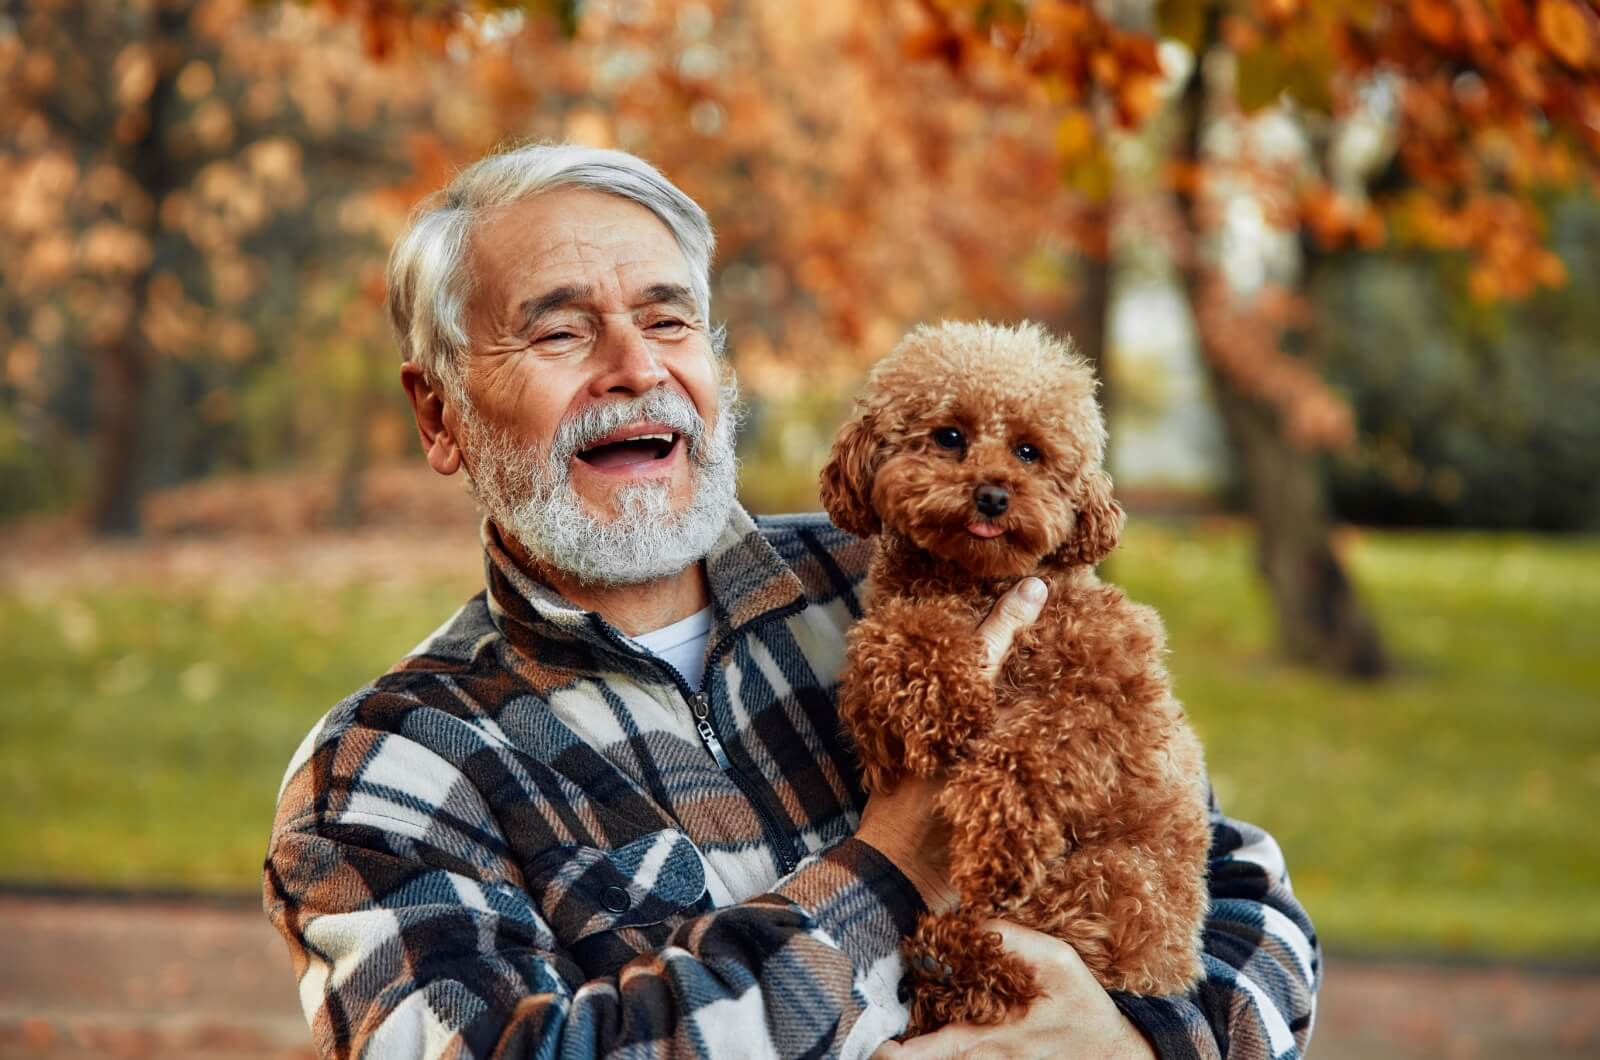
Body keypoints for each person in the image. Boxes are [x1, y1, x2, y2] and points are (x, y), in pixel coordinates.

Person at [263, 142, 1320, 1060]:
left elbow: (1249, 895)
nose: (636, 369)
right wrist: (894, 863)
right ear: (438, 413)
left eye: (669, 321)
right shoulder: (391, 771)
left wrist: (1142, 1041)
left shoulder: (919, 574)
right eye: (559, 333)